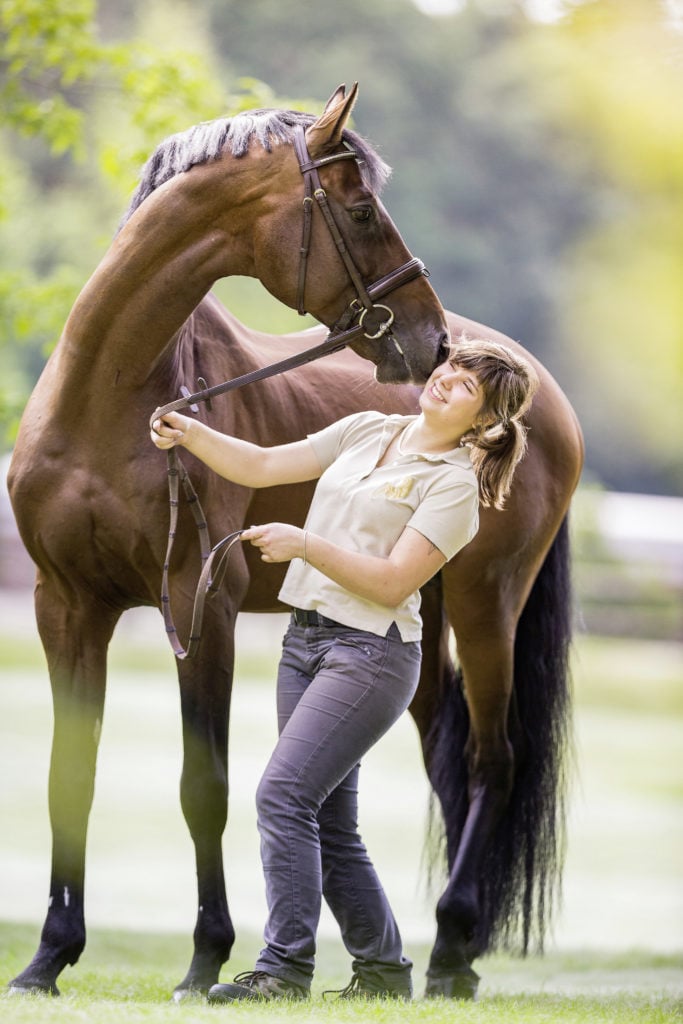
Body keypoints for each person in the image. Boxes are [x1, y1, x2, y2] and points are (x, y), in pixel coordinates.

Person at [150, 337, 539, 1003]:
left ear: (484, 423)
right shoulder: (369, 428)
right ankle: (383, 972)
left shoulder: (451, 488)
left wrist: (305, 544)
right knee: (327, 822)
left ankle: (282, 971)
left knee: (283, 796)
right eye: (450, 367)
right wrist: (192, 433)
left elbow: (391, 584)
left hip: (371, 654)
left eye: (466, 386)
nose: (445, 380)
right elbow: (265, 464)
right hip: (303, 643)